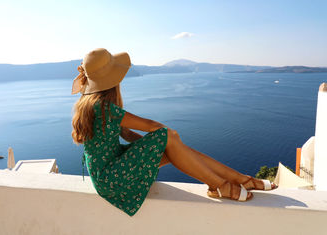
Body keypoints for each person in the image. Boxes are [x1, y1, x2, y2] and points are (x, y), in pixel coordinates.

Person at [71, 48, 277, 217]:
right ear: (112, 81)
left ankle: (240, 180)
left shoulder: (87, 105)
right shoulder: (105, 109)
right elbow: (152, 126)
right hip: (112, 176)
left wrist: (158, 150)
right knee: (168, 137)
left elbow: (125, 133)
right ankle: (224, 184)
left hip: (106, 174)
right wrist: (170, 139)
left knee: (174, 148)